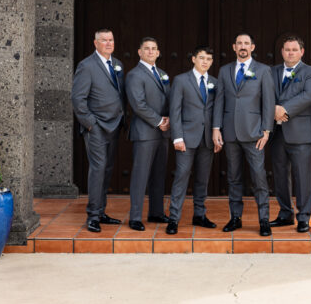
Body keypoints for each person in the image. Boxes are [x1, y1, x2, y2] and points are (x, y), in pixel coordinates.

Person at [212, 32, 275, 236]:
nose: (243, 46)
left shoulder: (264, 70)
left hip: (254, 133)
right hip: (230, 133)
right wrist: (216, 128)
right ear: (234, 47)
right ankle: (235, 217)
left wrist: (266, 130)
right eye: (239, 43)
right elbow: (219, 101)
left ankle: (263, 219)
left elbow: (268, 102)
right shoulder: (224, 71)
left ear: (252, 47)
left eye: (246, 43)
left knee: (259, 178)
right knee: (234, 178)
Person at [71, 27, 126, 233]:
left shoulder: (117, 64)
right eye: (104, 40)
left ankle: (101, 212)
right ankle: (93, 215)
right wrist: (90, 124)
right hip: (96, 128)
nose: (109, 43)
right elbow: (78, 99)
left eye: (111, 40)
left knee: (107, 170)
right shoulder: (87, 66)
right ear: (96, 43)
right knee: (98, 169)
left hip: (114, 126)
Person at [269, 35, 311, 233]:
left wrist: (284, 109)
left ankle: (304, 216)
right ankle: (285, 213)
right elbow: (265, 93)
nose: (290, 52)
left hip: (300, 132)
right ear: (282, 51)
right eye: (287, 49)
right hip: (277, 131)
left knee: (302, 176)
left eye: (294, 49)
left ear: (302, 52)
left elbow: (309, 96)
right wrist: (274, 110)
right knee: (280, 175)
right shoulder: (272, 71)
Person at [166, 46, 219, 234]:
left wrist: (216, 134)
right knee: (181, 177)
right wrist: (177, 137)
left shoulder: (214, 82)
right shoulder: (181, 80)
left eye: (209, 59)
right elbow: (175, 110)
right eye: (202, 58)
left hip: (206, 139)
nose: (205, 61)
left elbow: (216, 110)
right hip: (186, 138)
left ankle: (199, 215)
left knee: (202, 179)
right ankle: (173, 219)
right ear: (193, 59)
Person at [125, 37, 170, 231]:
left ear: (159, 52)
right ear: (139, 52)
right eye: (147, 49)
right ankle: (135, 217)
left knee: (158, 175)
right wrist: (159, 121)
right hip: (145, 132)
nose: (151, 52)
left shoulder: (162, 74)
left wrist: (169, 120)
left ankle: (156, 212)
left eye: (154, 49)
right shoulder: (135, 75)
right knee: (140, 176)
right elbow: (138, 104)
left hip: (163, 133)